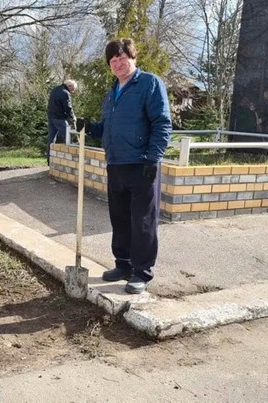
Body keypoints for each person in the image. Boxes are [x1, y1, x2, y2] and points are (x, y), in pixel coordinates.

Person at [81, 38, 172, 294]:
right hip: (116, 163)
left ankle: (141, 272)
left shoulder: (149, 84)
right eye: (113, 60)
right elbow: (108, 128)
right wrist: (90, 127)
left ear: (133, 58)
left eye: (122, 58)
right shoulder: (112, 93)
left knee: (142, 221)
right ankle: (123, 264)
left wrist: (154, 157)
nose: (117, 64)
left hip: (141, 164)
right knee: (119, 218)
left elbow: (162, 123)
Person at [47, 80, 77, 164]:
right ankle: (70, 160)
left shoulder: (55, 89)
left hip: (51, 117)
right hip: (60, 118)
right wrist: (73, 117)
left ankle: (50, 160)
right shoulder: (65, 93)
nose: (72, 92)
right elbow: (68, 107)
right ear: (69, 86)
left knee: (51, 139)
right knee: (68, 137)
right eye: (73, 89)